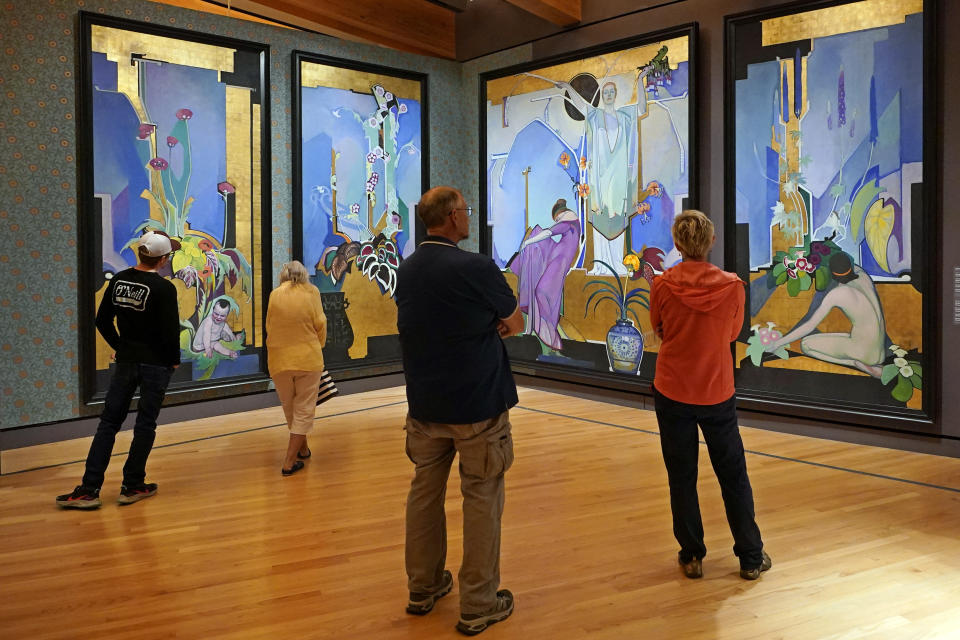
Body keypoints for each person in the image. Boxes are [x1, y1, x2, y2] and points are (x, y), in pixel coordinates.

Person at [395, 186, 524, 636]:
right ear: (453, 217)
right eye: (466, 211)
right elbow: (516, 319)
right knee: (482, 499)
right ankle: (479, 603)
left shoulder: (407, 271)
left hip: (424, 405)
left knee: (424, 496)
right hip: (477, 407)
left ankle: (423, 586)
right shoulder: (476, 267)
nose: (469, 217)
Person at [649, 210, 771, 580]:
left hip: (673, 389)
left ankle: (692, 555)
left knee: (681, 474)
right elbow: (733, 333)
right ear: (710, 242)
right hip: (717, 390)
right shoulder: (732, 286)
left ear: (677, 243)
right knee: (733, 473)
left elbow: (659, 329)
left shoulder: (663, 285)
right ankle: (750, 556)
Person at [56, 230, 182, 509]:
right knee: (145, 424)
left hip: (126, 362)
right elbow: (170, 330)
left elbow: (102, 321)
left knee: (109, 423)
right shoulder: (164, 288)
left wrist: (121, 346)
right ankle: (132, 486)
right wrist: (173, 359)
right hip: (156, 365)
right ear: (162, 260)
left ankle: (89, 489)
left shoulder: (120, 280)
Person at [555, 67, 651, 275]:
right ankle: (601, 264)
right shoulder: (595, 116)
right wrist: (568, 88)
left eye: (611, 92)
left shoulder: (626, 116)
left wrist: (641, 80)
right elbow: (581, 105)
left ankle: (616, 263)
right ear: (602, 96)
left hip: (618, 178)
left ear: (615, 96)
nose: (608, 95)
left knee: (616, 216)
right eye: (605, 92)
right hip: (600, 179)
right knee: (600, 215)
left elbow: (642, 108)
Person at [766, 252, 886, 376]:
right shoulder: (863, 276)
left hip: (863, 353)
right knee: (848, 336)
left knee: (806, 344)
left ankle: (856, 364)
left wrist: (777, 343)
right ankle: (867, 363)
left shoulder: (838, 293)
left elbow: (810, 325)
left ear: (832, 273)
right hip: (879, 352)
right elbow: (849, 264)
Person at [265, 260, 327, 476]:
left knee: (290, 408)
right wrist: (318, 344)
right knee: (304, 409)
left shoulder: (275, 294)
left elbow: (269, 327)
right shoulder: (312, 291)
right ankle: (288, 463)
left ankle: (303, 449)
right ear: (304, 274)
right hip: (308, 358)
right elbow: (321, 323)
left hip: (279, 360)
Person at [508, 198, 581, 355]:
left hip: (559, 262)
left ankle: (548, 332)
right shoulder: (574, 223)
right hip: (557, 257)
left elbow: (549, 232)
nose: (556, 221)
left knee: (543, 292)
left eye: (556, 218)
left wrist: (528, 242)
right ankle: (541, 328)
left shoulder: (568, 222)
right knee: (542, 292)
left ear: (561, 214)